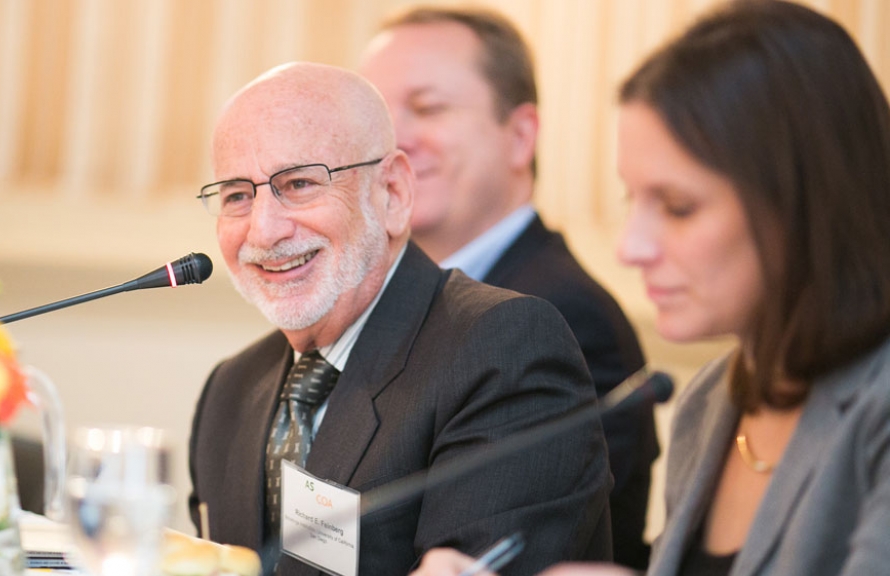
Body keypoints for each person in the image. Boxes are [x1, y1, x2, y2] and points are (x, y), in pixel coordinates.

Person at [408, 1, 890, 575]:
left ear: (808, 202)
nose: (630, 247)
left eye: (679, 207)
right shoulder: (712, 400)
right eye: (630, 201)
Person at [187, 61, 613, 576]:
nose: (264, 230)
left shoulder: (502, 351)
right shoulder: (231, 390)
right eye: (236, 195)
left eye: (298, 183)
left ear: (393, 193)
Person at [359, 6, 657, 568]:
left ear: (520, 135)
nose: (393, 144)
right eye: (375, 118)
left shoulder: (561, 317)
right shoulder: (377, 304)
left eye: (427, 108)